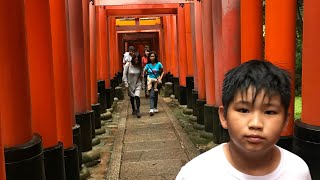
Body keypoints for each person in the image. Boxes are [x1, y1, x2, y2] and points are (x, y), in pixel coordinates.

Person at [176, 60, 311, 180]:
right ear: (224, 117)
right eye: (244, 110)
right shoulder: (196, 173)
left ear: (285, 122)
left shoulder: (297, 171)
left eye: (269, 112)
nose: (256, 124)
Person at [123, 52, 143, 118]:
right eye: (135, 58)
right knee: (132, 97)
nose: (136, 60)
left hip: (138, 83)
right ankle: (133, 108)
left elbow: (141, 75)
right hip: (130, 83)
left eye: (138, 59)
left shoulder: (140, 66)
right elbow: (124, 74)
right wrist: (125, 83)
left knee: (137, 96)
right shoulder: (128, 65)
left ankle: (138, 110)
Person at [143, 51, 164, 116]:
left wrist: (160, 78)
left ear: (155, 57)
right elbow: (144, 72)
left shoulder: (159, 64)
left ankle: (155, 107)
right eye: (151, 56)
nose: (152, 57)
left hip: (157, 81)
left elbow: (162, 71)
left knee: (156, 94)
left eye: (153, 56)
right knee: (152, 94)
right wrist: (145, 75)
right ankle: (151, 108)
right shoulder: (147, 65)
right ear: (149, 57)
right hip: (150, 81)